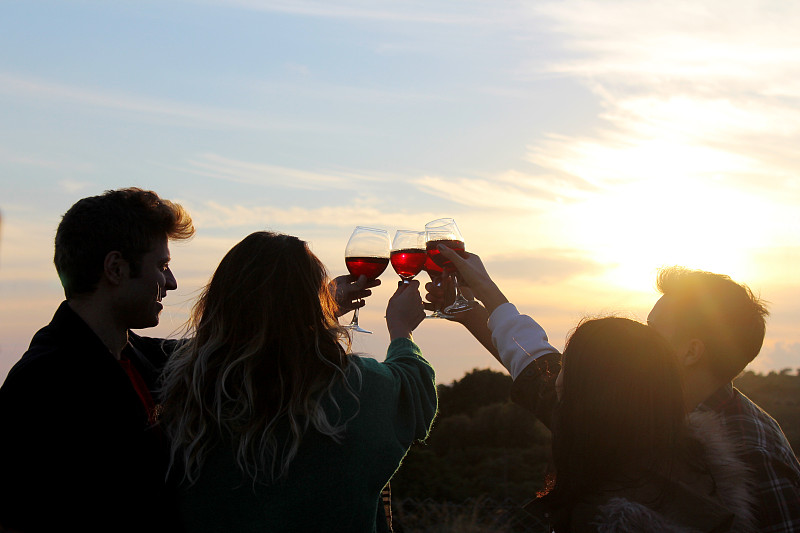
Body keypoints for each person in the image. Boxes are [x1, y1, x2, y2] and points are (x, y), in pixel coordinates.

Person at [430, 248, 800, 531]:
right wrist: (474, 305)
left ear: (691, 351)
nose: (639, 335)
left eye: (653, 328)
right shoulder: (628, 406)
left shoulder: (754, 450)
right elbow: (541, 371)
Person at [157, 231, 437, 533]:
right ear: (309, 304)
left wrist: (319, 311)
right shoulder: (355, 389)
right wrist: (401, 329)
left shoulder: (186, 384)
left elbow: (255, 339)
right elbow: (415, 392)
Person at [0, 187, 195, 532]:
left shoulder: (137, 357)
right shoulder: (41, 387)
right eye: (162, 265)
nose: (171, 282)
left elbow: (224, 349)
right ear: (116, 268)